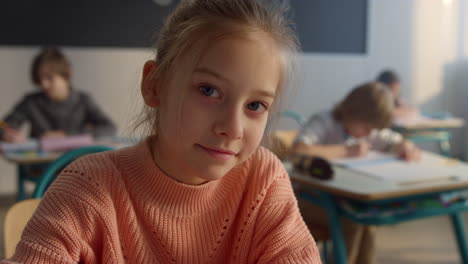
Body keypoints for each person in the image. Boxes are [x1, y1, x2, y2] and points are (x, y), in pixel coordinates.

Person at [2, 1, 321, 263]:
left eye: (255, 106)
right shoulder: (88, 190)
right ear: (155, 85)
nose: (232, 128)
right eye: (208, 90)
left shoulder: (263, 181)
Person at [292, 82, 420, 264]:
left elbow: (395, 140)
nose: (369, 133)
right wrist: (345, 151)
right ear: (352, 112)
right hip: (305, 198)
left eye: (372, 129)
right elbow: (299, 150)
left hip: (338, 198)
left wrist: (406, 147)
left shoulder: (368, 131)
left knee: (365, 219)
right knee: (353, 220)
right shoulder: (325, 121)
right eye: (367, 127)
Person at [0, 47, 116, 143]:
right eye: (40, 80)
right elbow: (3, 125)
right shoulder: (31, 101)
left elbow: (110, 128)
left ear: (65, 76)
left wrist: (67, 136)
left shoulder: (83, 100)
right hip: (39, 167)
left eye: (49, 78)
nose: (44, 84)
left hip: (76, 164)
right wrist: (6, 133)